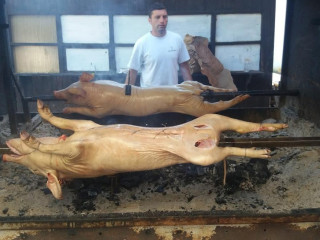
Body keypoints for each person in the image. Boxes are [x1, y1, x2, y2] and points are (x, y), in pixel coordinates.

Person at [125, 2, 192, 87]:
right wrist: (126, 94)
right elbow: (133, 71)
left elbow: (184, 67)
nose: (162, 20)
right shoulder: (142, 43)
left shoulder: (177, 39)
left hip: (172, 94)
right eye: (157, 17)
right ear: (150, 20)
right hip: (149, 96)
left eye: (164, 17)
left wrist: (192, 89)